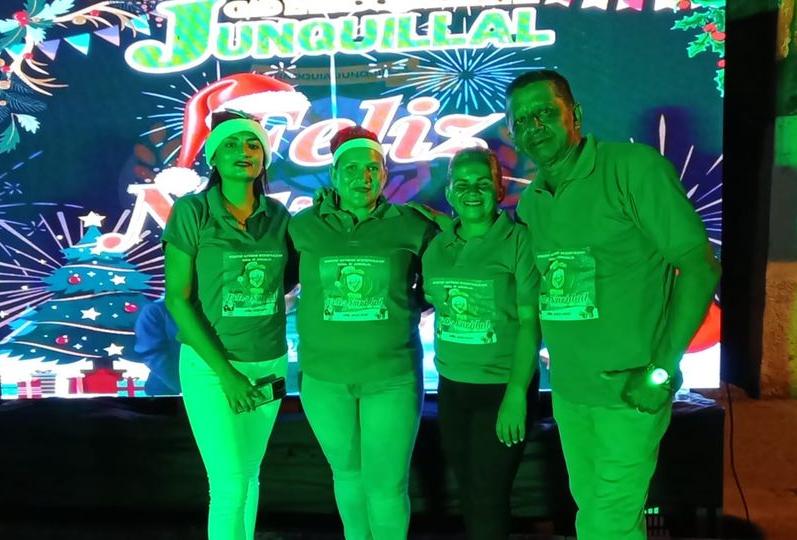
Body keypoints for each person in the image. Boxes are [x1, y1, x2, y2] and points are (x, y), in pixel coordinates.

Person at [505, 70, 721, 540]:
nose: (534, 127)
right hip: (570, 394)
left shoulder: (632, 169)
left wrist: (660, 372)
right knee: (595, 515)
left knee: (609, 523)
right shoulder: (533, 202)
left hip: (630, 392)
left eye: (545, 113)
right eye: (522, 120)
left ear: (575, 115)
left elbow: (700, 267)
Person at [288, 126, 438, 540]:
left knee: (386, 487)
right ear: (334, 175)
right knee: (347, 475)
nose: (363, 177)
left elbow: (441, 283)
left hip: (392, 378)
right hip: (324, 380)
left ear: (384, 174)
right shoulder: (303, 226)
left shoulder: (412, 225)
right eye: (351, 168)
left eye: (372, 168)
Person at [163, 110, 297, 540]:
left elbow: (288, 281)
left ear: (265, 158)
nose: (245, 151)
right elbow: (177, 299)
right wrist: (227, 374)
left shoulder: (279, 216)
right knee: (229, 484)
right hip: (212, 368)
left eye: (254, 144)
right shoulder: (192, 211)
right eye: (232, 144)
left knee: (251, 475)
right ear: (214, 157)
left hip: (269, 365)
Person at [420, 147, 541, 540]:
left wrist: (516, 394)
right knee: (470, 493)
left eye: (482, 183)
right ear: (450, 193)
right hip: (453, 388)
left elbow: (530, 324)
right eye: (462, 184)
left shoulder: (518, 241)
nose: (472, 191)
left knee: (490, 497)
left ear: (499, 189)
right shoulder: (437, 247)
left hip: (502, 388)